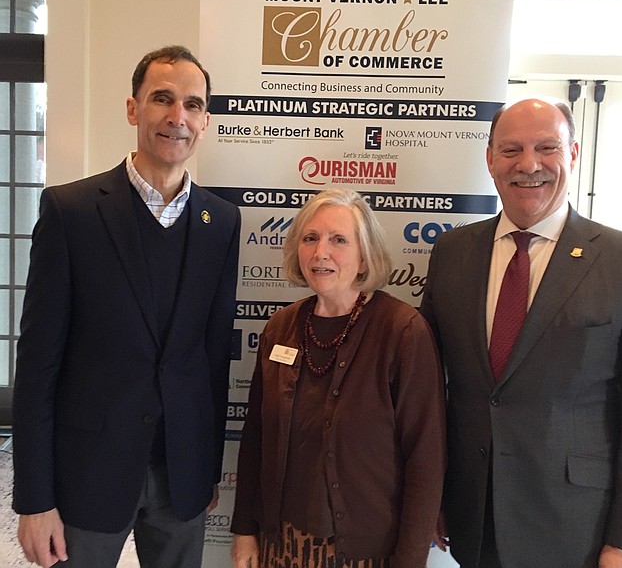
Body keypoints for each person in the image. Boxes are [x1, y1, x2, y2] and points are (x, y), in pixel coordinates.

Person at [12, 45, 241, 568]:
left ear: (205, 121)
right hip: (86, 475)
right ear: (134, 109)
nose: (176, 116)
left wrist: (205, 470)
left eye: (192, 104)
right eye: (162, 98)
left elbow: (212, 361)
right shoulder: (70, 213)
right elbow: (38, 365)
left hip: (180, 477)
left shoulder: (222, 223)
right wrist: (34, 499)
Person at [421, 98, 622, 568]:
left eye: (547, 147)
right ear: (490, 159)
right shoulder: (452, 253)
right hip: (474, 517)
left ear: (573, 155)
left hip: (581, 528)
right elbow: (432, 391)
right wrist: (432, 495)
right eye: (511, 149)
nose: (529, 165)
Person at [230, 188, 446, 568]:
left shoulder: (402, 331)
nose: (320, 253)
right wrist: (245, 531)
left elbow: (425, 459)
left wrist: (411, 560)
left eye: (339, 240)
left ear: (365, 256)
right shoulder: (281, 327)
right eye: (310, 239)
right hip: (282, 545)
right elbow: (255, 439)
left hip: (368, 553)